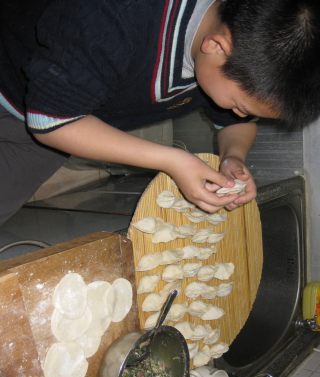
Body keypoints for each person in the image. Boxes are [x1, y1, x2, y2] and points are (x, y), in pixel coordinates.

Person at [0, 0, 319, 225]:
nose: (238, 112)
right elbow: (50, 120)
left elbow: (238, 122)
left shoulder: (237, 49)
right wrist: (172, 161)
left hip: (65, 122)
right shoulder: (116, 16)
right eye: (238, 103)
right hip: (21, 83)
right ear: (216, 47)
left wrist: (233, 155)